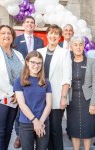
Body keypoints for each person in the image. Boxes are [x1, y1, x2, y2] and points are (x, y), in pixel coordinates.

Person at [37, 24, 72, 150]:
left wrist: (63, 97)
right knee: (44, 129)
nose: (53, 35)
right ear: (47, 35)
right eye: (51, 33)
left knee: (55, 130)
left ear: (59, 36)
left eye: (56, 33)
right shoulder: (39, 52)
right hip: (40, 98)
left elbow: (67, 77)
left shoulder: (64, 53)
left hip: (57, 97)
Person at [14, 16, 44, 147]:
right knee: (20, 108)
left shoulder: (39, 41)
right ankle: (19, 136)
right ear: (23, 24)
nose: (30, 24)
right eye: (27, 22)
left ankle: (38, 130)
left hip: (35, 77)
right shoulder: (16, 40)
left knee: (34, 104)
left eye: (32, 23)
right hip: (22, 78)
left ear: (35, 25)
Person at [13, 51, 52, 150]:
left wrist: (40, 122)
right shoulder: (19, 81)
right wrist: (35, 121)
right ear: (27, 62)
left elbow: (49, 104)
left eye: (39, 63)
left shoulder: (46, 82)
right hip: (26, 123)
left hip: (43, 122)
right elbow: (21, 104)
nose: (36, 65)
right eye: (33, 62)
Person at [67, 36, 95, 150]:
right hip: (72, 100)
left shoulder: (92, 61)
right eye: (75, 45)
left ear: (84, 46)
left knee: (88, 127)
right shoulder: (68, 62)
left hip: (88, 99)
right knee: (74, 126)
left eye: (80, 44)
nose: (78, 47)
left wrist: (94, 103)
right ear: (71, 47)